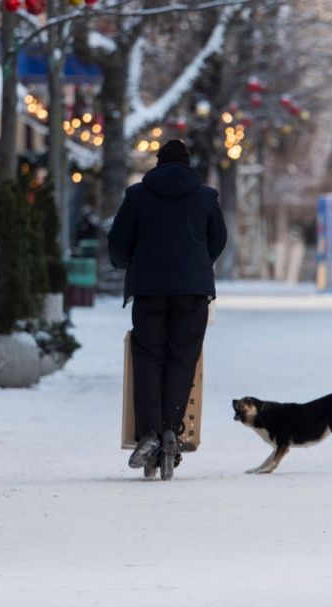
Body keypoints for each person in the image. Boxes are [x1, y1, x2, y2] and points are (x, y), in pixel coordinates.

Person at [108, 139, 227, 478]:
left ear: (158, 163)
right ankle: (172, 430)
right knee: (182, 359)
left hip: (149, 291)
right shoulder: (206, 197)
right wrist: (200, 263)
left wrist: (126, 262)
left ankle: (148, 434)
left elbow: (118, 242)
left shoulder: (137, 196)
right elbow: (217, 240)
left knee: (148, 358)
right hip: (192, 292)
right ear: (188, 165)